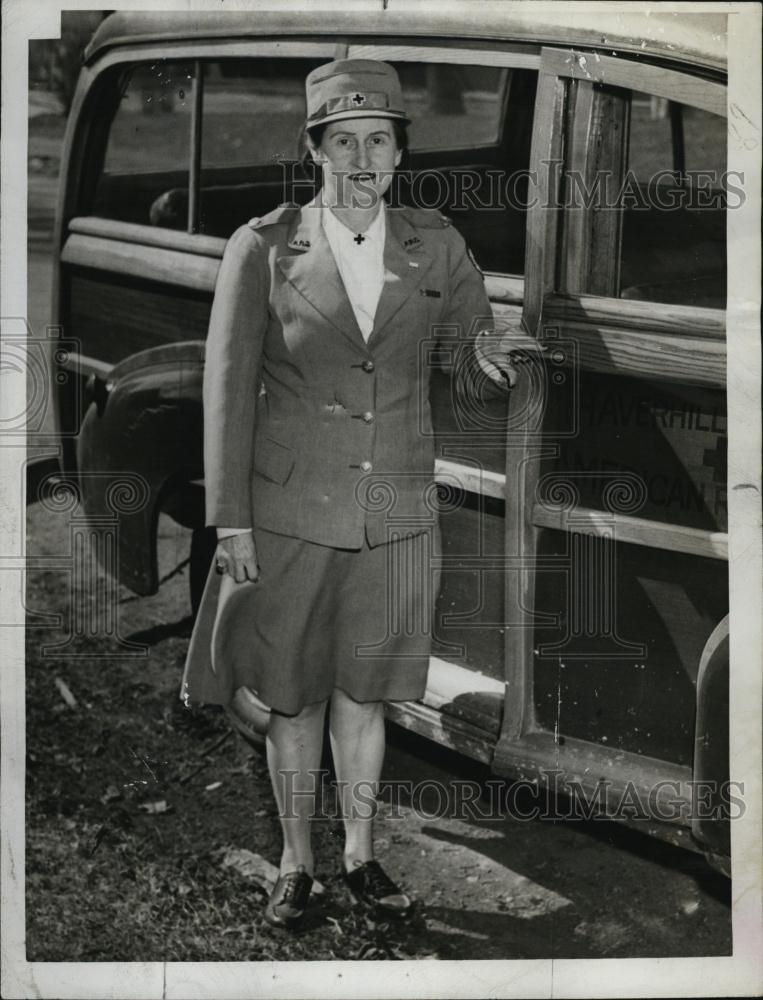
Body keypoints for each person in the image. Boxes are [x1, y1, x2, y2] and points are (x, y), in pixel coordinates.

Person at [181, 59, 518, 929]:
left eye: (378, 139)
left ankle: (362, 856)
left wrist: (490, 362)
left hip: (395, 515)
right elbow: (226, 390)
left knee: (367, 694)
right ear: (314, 151)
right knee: (291, 697)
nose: (362, 156)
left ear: (400, 152)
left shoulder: (434, 243)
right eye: (342, 141)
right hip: (289, 514)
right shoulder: (262, 246)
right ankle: (296, 864)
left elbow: (465, 374)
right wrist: (230, 523)